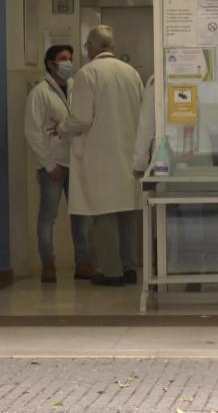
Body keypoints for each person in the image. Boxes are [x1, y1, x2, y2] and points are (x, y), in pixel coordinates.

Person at [54, 25, 143, 287]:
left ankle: (112, 272)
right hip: (129, 153)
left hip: (100, 155)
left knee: (104, 214)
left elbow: (81, 118)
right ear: (112, 47)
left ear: (91, 48)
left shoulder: (87, 74)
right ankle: (129, 268)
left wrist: (61, 127)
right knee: (127, 214)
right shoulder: (132, 73)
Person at [24, 44, 94, 283]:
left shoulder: (78, 88)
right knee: (47, 216)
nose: (68, 63)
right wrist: (48, 164)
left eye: (70, 58)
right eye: (63, 59)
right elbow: (32, 132)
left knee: (80, 215)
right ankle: (48, 264)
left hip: (77, 162)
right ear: (50, 63)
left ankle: (83, 263)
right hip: (52, 166)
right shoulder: (40, 93)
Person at [132, 74, 156, 179]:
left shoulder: (158, 78)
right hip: (205, 153)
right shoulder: (207, 74)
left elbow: (146, 125)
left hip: (167, 159)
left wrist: (139, 164)